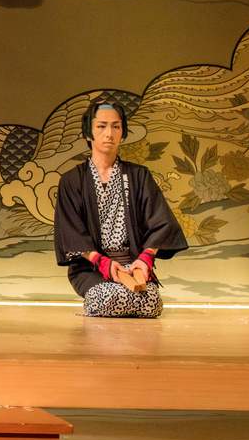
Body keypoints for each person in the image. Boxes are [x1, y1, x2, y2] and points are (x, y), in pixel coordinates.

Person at [54, 100, 188, 317]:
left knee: (151, 303)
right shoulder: (71, 181)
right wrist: (101, 261)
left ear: (122, 132)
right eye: (101, 126)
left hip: (132, 265)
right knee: (108, 297)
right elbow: (71, 232)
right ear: (88, 133)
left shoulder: (139, 176)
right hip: (92, 267)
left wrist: (145, 258)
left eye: (116, 126)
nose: (109, 133)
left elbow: (161, 222)